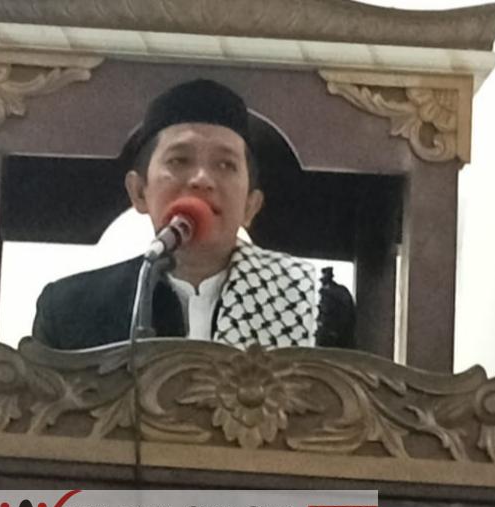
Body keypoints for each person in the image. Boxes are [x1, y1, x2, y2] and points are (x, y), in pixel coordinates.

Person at [33, 79, 321, 350]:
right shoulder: (69, 310)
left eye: (225, 165)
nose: (201, 180)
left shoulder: (315, 305)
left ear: (250, 206)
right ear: (139, 192)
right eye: (179, 160)